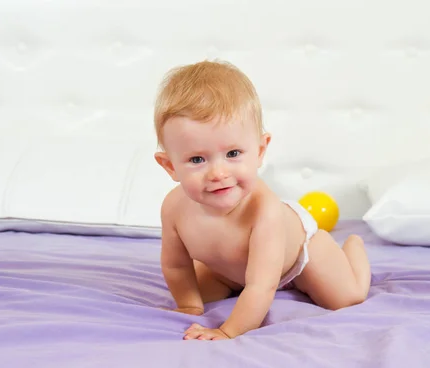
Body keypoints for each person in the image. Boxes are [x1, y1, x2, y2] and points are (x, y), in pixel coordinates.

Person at [153, 60, 371, 340]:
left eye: (233, 154)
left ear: (259, 151)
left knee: (346, 298)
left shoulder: (263, 211)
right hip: (227, 271)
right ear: (170, 166)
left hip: (298, 257)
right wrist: (189, 304)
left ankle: (353, 247)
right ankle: (217, 286)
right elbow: (176, 266)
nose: (218, 173)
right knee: (201, 295)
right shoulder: (174, 208)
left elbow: (260, 286)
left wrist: (227, 331)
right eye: (197, 159)